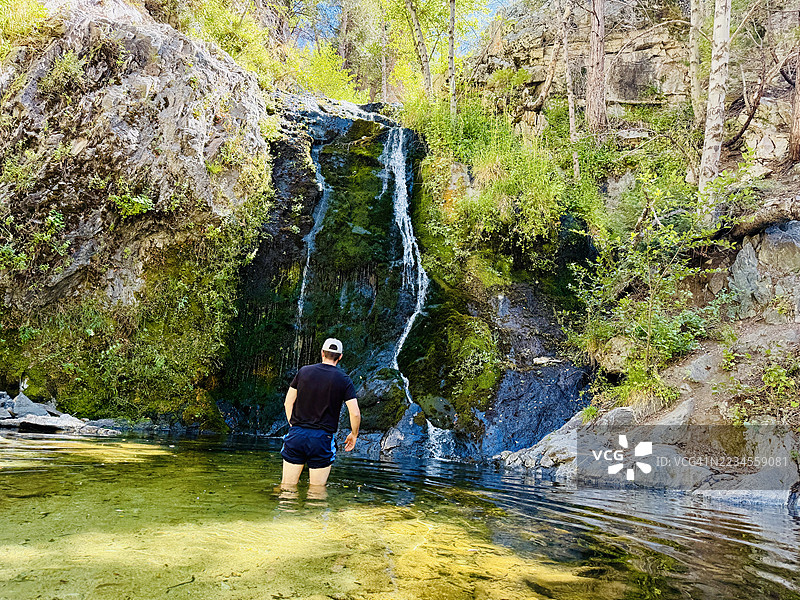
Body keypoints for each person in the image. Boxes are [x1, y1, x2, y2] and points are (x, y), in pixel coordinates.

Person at [281, 337, 360, 488]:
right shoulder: (344, 380)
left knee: (287, 488)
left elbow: (288, 402)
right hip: (322, 438)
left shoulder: (304, 372)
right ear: (340, 357)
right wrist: (354, 434)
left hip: (297, 434)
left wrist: (293, 424)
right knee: (317, 493)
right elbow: (355, 413)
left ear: (322, 353)